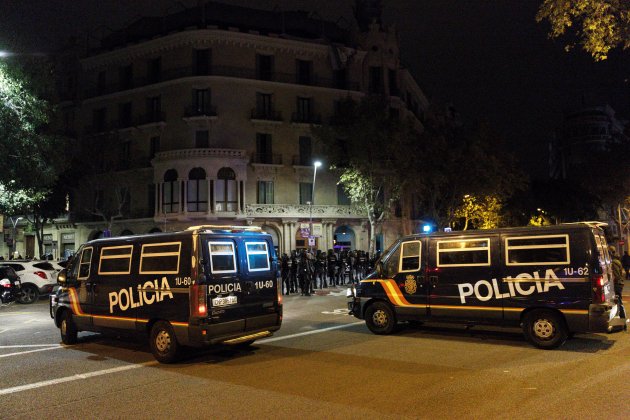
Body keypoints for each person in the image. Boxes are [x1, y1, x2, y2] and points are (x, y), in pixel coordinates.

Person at [609, 246, 626, 328]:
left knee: (619, 301)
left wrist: (612, 282)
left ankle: (623, 320)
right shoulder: (616, 261)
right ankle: (621, 320)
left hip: (617, 284)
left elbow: (616, 275)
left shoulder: (614, 262)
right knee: (618, 301)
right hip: (619, 283)